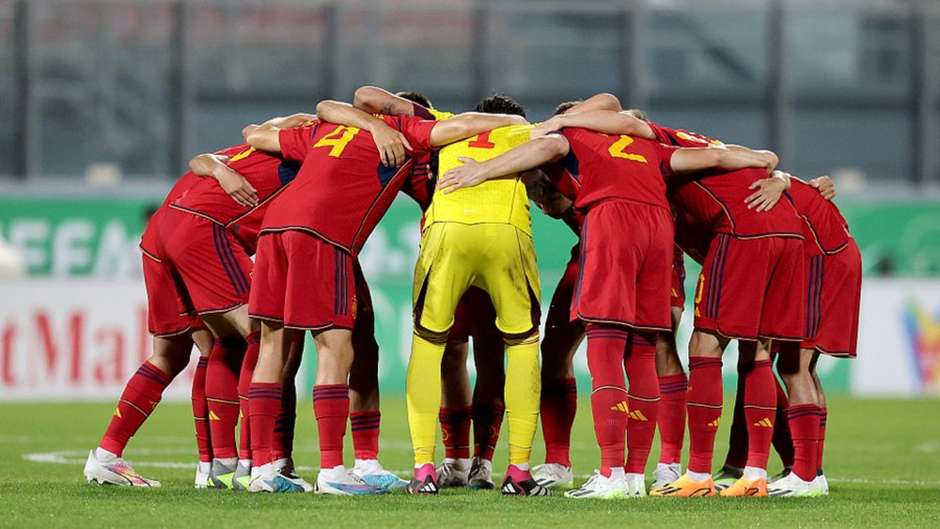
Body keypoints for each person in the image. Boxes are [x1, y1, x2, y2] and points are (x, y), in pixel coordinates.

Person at [438, 107, 777, 499]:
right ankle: (636, 473)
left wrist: (480, 170)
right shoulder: (649, 147)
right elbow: (715, 155)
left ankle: (613, 472)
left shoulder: (572, 140)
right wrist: (763, 159)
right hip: (657, 234)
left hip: (611, 226)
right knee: (644, 349)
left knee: (606, 346)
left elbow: (547, 145)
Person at [241, 101, 525, 494]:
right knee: (335, 348)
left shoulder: (325, 130)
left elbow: (257, 134)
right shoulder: (406, 131)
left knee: (271, 346)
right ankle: (332, 471)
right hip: (323, 235)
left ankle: (263, 469)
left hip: (274, 228)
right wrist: (517, 122)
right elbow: (468, 124)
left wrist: (295, 120)